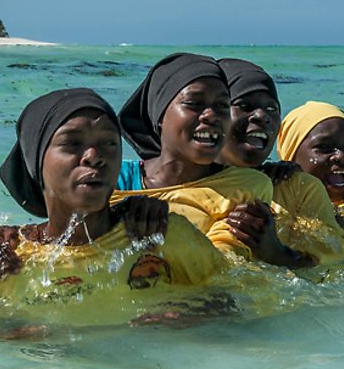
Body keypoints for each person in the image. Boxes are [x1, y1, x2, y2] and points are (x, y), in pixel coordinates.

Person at [0, 88, 226, 330]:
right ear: (36, 161)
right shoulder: (5, 260)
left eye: (109, 144)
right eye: (72, 143)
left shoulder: (159, 235)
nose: (95, 157)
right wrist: (7, 337)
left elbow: (245, 297)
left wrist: (194, 315)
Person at [112, 53, 274, 259]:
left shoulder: (246, 187)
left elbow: (225, 267)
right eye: (194, 103)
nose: (211, 115)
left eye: (222, 106)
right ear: (160, 115)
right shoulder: (114, 180)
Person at [215, 58, 343, 268]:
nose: (262, 116)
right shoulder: (181, 185)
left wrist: (276, 253)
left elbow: (332, 263)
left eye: (272, 109)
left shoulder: (298, 189)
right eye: (245, 105)